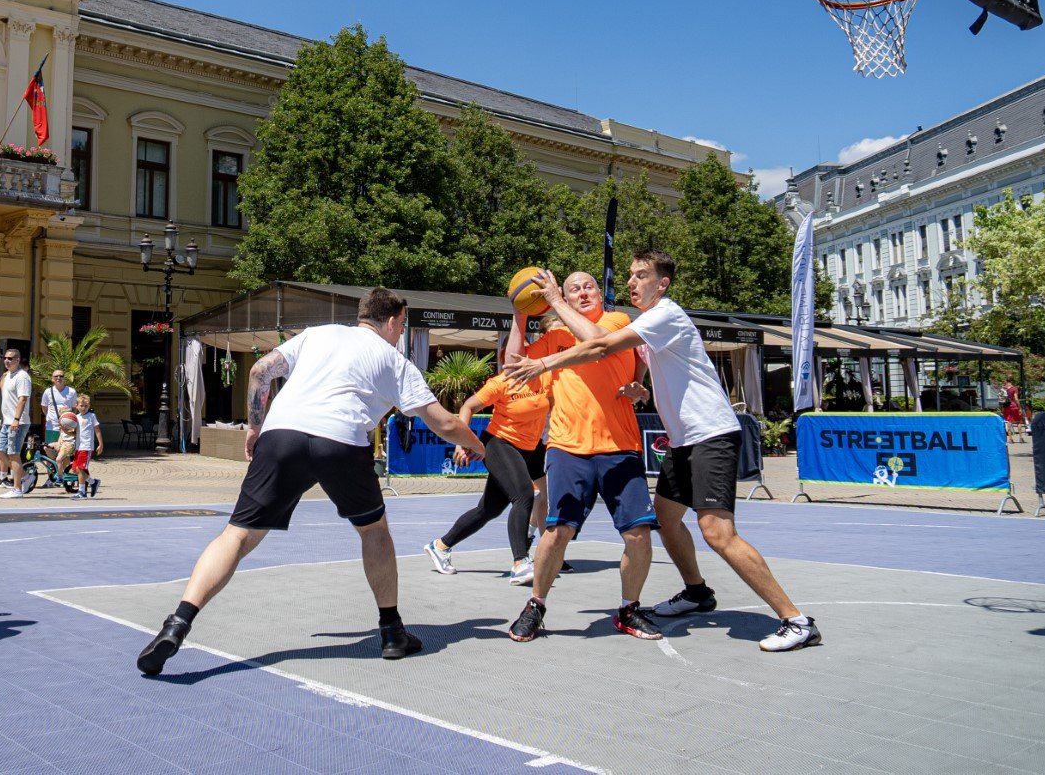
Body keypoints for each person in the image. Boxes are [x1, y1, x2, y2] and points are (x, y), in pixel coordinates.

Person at [137, 288, 486, 676]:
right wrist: (478, 447)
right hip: (340, 441)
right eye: (402, 325)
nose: (401, 333)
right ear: (391, 322)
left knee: (236, 535)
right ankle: (391, 632)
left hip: (281, 436)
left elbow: (258, 372)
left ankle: (178, 623)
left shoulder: (318, 334)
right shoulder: (393, 359)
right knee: (374, 533)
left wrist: (255, 426)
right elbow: (443, 423)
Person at [513, 250, 821, 652]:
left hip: (710, 433)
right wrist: (640, 385)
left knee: (717, 532)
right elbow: (638, 361)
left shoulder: (665, 314)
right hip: (682, 441)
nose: (631, 282)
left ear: (663, 283)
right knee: (666, 519)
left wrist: (547, 355)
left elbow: (600, 347)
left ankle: (795, 620)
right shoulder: (647, 324)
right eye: (629, 275)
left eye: (641, 275)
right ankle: (696, 591)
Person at [502, 271, 663, 643]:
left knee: (638, 535)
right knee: (557, 531)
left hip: (619, 446)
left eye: (588, 285)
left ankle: (628, 609)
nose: (582, 291)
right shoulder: (555, 337)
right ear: (568, 300)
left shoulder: (616, 322)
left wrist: (556, 300)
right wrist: (519, 313)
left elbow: (596, 342)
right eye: (574, 289)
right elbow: (513, 364)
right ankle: (535, 605)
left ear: (600, 294)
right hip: (568, 446)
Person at [422, 367, 549, 585]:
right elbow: (468, 406)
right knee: (524, 496)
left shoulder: (545, 377)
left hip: (527, 448)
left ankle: (440, 546)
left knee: (488, 509)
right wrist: (463, 442)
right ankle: (520, 563)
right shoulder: (500, 382)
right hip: (499, 444)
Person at [0, 348, 33, 498]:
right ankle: (25, 476)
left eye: (10, 358)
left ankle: (17, 489)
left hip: (18, 422)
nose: (6, 360)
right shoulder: (8, 376)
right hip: (7, 422)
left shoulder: (22, 376)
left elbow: (22, 399)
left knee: (13, 454)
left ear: (18, 360)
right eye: (5, 358)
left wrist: (16, 419)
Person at [69, 393, 103, 499]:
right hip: (78, 447)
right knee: (75, 469)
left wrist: (101, 444)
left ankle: (82, 492)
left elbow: (97, 430)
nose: (83, 408)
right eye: (81, 406)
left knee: (80, 468)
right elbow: (75, 433)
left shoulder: (91, 416)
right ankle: (93, 482)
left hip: (87, 447)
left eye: (86, 406)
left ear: (89, 406)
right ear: (77, 406)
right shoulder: (76, 418)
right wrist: (65, 430)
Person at [41, 369, 77, 447]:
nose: (58, 378)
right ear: (52, 379)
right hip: (52, 427)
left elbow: (74, 408)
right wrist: (51, 416)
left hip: (67, 428)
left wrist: (68, 418)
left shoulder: (72, 391)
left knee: (65, 452)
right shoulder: (47, 392)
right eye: (56, 376)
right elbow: (44, 408)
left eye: (61, 376)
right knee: (50, 449)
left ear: (64, 378)